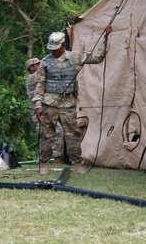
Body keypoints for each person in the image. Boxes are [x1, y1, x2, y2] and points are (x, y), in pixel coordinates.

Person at [33, 25, 111, 175]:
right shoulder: (45, 62)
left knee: (72, 135)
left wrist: (106, 38)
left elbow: (98, 57)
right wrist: (38, 105)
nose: (53, 52)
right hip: (49, 104)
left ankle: (77, 163)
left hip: (68, 103)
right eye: (51, 49)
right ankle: (43, 164)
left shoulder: (75, 57)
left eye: (55, 48)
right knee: (47, 135)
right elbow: (40, 84)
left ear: (63, 45)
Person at [26, 58, 65, 165]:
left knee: (52, 132)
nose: (40, 65)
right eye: (37, 64)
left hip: (44, 109)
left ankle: (52, 159)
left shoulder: (37, 77)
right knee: (53, 132)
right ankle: (54, 159)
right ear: (31, 67)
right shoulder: (33, 77)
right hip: (40, 110)